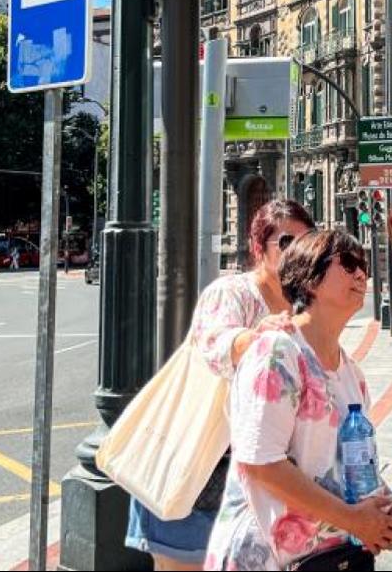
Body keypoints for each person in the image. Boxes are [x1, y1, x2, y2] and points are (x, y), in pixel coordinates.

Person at [126, 200, 315, 570]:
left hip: (260, 480)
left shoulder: (303, 306)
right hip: (197, 470)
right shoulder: (232, 292)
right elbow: (215, 342)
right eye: (287, 242)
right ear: (260, 248)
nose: (298, 252)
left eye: (307, 242)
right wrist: (256, 338)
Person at [205, 229, 392, 571]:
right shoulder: (277, 352)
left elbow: (348, 460)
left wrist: (381, 502)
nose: (361, 274)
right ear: (310, 279)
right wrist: (353, 519)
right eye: (349, 264)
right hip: (268, 556)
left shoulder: (350, 372)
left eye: (364, 266)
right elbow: (261, 463)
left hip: (329, 556)